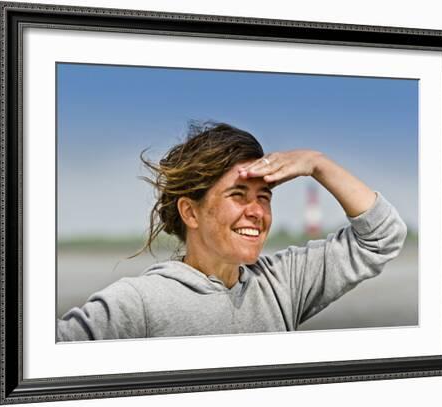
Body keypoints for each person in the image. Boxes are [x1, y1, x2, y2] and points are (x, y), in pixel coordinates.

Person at [57, 122, 407, 341]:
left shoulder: (283, 283)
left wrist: (317, 163)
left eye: (264, 197)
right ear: (190, 212)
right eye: (238, 196)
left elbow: (383, 235)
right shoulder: (138, 303)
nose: (256, 212)